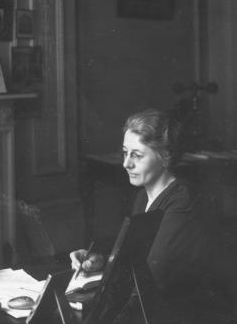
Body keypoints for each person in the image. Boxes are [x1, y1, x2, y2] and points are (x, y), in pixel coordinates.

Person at [70, 108, 209, 308]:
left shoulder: (182, 202)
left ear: (165, 156)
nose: (126, 163)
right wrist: (101, 260)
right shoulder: (143, 196)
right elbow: (133, 257)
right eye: (125, 153)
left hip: (178, 317)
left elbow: (153, 276)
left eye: (136, 155)